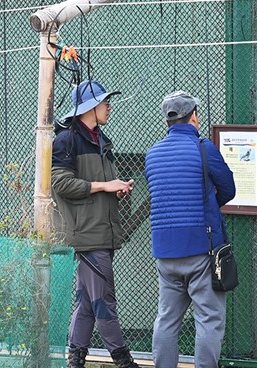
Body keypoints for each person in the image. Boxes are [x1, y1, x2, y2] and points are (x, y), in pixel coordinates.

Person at [51, 80, 140, 368]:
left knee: (87, 303)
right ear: (90, 106)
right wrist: (104, 186)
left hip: (102, 232)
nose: (109, 106)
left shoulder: (101, 139)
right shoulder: (67, 139)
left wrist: (116, 188)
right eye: (105, 102)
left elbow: (95, 185)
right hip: (86, 235)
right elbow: (61, 184)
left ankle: (75, 361)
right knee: (104, 301)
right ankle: (123, 361)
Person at [144, 91, 236, 368]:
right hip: (201, 249)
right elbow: (228, 189)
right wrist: (208, 206)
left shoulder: (153, 153)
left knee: (167, 319)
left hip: (165, 253)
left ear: (167, 121)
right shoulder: (203, 147)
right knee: (209, 318)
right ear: (194, 116)